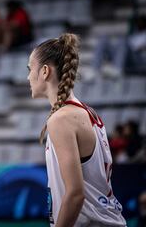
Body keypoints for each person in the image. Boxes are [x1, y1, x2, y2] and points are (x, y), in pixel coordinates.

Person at [27, 33, 126, 226]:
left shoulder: (61, 119)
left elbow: (75, 194)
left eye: (30, 69)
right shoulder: (87, 112)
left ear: (45, 71)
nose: (28, 76)